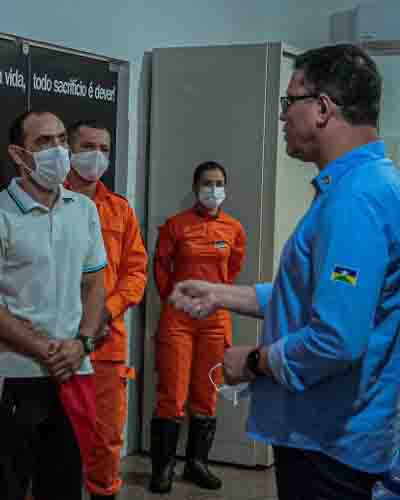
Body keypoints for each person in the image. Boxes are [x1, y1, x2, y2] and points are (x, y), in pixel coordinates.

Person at [169, 44, 400, 500]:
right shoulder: (363, 185)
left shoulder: (354, 200)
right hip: (333, 437)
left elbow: (336, 339)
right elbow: (312, 295)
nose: (283, 117)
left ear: (322, 109)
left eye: (289, 103)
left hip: (330, 442)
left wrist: (253, 363)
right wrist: (221, 295)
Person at [0, 110, 108, 500]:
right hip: (15, 374)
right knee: (4, 487)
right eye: (44, 142)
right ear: (19, 154)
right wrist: (44, 349)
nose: (58, 150)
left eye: (62, 139)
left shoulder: (84, 210)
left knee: (63, 486)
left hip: (73, 371)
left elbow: (95, 284)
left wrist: (82, 343)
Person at [149, 160, 246, 493]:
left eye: (219, 183)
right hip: (178, 317)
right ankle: (163, 469)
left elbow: (232, 269)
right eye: (207, 183)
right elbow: (160, 267)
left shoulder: (233, 228)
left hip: (215, 319)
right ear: (195, 187)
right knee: (172, 394)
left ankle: (196, 464)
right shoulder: (176, 226)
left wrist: (213, 296)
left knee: (206, 393)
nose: (213, 189)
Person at [64, 120, 148, 500]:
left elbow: (136, 272)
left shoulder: (120, 211)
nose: (96, 155)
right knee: (55, 438)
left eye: (104, 148)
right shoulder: (49, 203)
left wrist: (107, 310)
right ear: (69, 149)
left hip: (106, 343)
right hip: (55, 341)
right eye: (87, 146)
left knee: (106, 439)